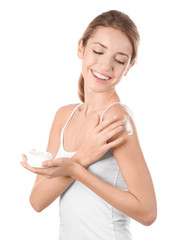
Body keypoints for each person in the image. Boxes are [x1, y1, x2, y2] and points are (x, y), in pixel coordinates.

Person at [20, 10, 157, 240]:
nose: (105, 65)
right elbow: (37, 201)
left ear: (129, 67)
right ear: (81, 48)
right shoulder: (64, 116)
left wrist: (76, 171)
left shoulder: (116, 119)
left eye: (119, 59)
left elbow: (147, 211)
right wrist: (80, 160)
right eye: (98, 51)